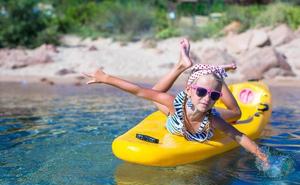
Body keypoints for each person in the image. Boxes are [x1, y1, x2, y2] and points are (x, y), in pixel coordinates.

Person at [83, 39, 268, 166]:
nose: (206, 98)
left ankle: (215, 74)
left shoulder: (213, 119)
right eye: (202, 92)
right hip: (179, 115)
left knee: (237, 114)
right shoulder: (173, 105)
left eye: (213, 96)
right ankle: (189, 68)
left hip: (196, 115)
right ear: (189, 90)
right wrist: (106, 78)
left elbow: (239, 136)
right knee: (155, 95)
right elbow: (139, 90)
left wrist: (262, 157)